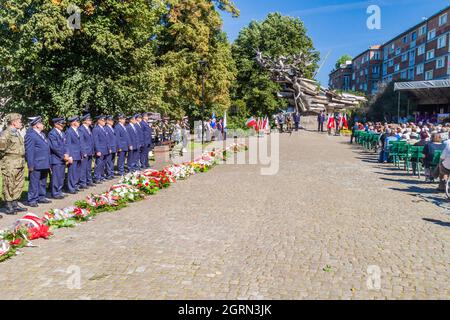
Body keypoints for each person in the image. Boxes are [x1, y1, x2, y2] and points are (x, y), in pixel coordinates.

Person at [0, 113, 27, 216]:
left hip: (19, 162)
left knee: (18, 184)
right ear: (14, 122)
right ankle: (8, 205)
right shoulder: (6, 134)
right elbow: (1, 150)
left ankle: (15, 203)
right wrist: (6, 160)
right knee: (8, 184)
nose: (21, 123)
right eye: (20, 121)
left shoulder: (17, 133)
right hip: (10, 163)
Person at [25, 116, 52, 207]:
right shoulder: (30, 135)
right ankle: (32, 199)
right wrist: (30, 165)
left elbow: (46, 148)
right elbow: (29, 151)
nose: (43, 125)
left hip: (44, 162)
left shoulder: (42, 134)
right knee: (34, 182)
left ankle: (41, 196)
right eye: (41, 123)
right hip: (36, 163)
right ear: (36, 125)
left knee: (43, 181)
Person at [48, 117, 68, 199]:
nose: (62, 126)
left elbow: (66, 145)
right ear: (56, 124)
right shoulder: (52, 133)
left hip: (62, 158)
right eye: (61, 124)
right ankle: (55, 193)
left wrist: (67, 153)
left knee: (61, 176)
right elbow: (55, 147)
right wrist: (63, 156)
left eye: (63, 124)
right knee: (56, 176)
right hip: (56, 158)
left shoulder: (62, 133)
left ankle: (59, 191)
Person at [65, 116, 82, 194]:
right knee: (72, 172)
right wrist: (69, 155)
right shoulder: (69, 131)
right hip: (73, 155)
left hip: (78, 154)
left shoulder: (77, 131)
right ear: (73, 123)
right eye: (77, 121)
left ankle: (75, 185)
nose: (79, 123)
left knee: (77, 172)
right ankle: (70, 187)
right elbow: (68, 144)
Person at [78, 114, 95, 189]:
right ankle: (83, 182)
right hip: (85, 151)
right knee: (83, 168)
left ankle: (89, 181)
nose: (90, 121)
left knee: (88, 167)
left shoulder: (89, 128)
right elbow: (82, 142)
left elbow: (91, 141)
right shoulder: (81, 129)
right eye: (89, 120)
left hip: (90, 151)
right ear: (84, 121)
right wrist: (83, 152)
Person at [92, 115, 110, 183]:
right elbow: (96, 141)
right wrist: (97, 150)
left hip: (105, 149)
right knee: (99, 164)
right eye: (103, 120)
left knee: (103, 164)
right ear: (99, 121)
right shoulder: (96, 129)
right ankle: (97, 177)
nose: (104, 122)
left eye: (104, 120)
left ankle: (101, 176)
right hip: (100, 149)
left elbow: (107, 140)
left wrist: (108, 148)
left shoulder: (104, 128)